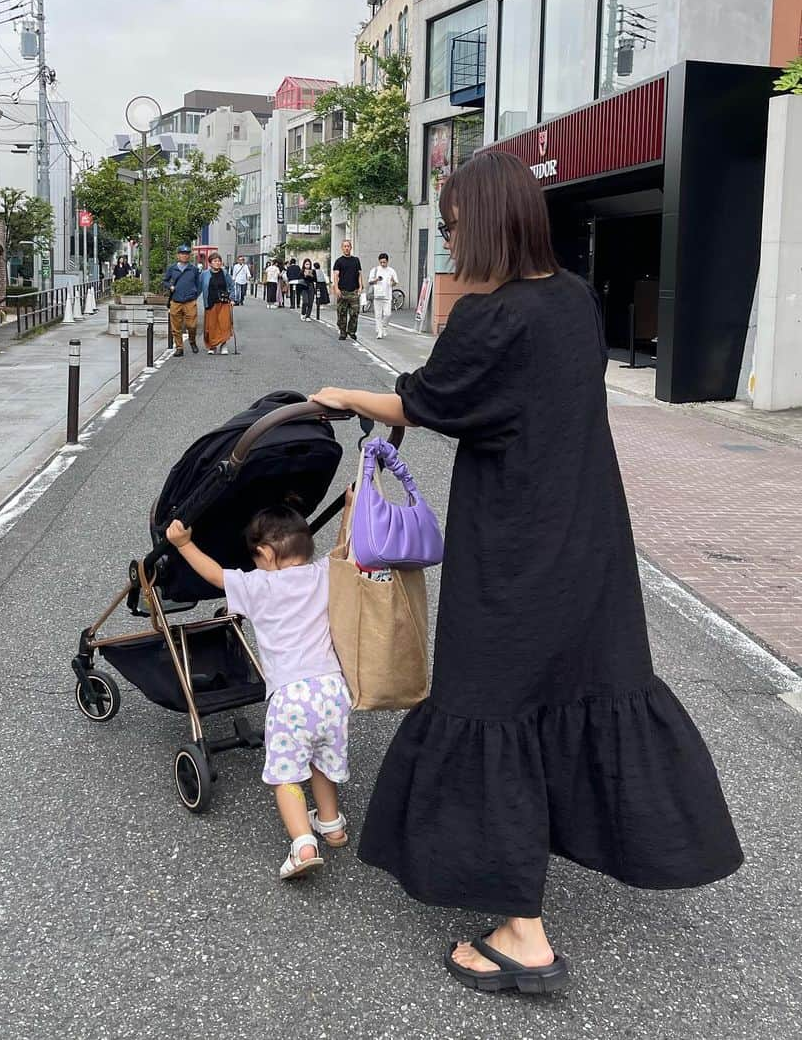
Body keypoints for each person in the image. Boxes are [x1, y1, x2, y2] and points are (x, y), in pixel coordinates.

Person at [309, 149, 741, 996]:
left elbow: (433, 400)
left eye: (456, 222)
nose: (453, 237)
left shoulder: (491, 317)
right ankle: (566, 852)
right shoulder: (574, 302)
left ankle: (522, 935)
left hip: (512, 549)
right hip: (589, 541)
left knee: (488, 703)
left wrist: (349, 397)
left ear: (486, 222)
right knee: (571, 689)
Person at [167, 506, 353, 880]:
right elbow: (344, 549)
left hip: (291, 698)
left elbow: (215, 576)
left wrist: (183, 543)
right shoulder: (325, 573)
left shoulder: (258, 586)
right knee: (321, 759)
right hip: (334, 691)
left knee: (287, 775)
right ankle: (331, 825)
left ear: (266, 554)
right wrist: (348, 509)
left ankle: (303, 843)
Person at [161, 245, 204, 357]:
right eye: (182, 253)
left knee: (192, 325)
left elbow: (199, 285)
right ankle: (179, 347)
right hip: (176, 300)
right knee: (176, 326)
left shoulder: (193, 269)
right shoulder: (172, 268)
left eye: (186, 254)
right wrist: (170, 286)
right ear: (178, 255)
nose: (184, 256)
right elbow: (165, 281)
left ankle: (192, 341)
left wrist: (195, 295)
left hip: (190, 300)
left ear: (189, 256)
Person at [200, 253, 234, 355]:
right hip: (210, 302)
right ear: (210, 263)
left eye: (219, 261)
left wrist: (232, 298)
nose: (217, 263)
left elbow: (231, 286)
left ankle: (223, 345)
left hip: (223, 302)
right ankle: (212, 346)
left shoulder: (224, 273)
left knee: (224, 324)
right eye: (215, 261)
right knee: (211, 325)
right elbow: (198, 287)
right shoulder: (204, 274)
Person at [331, 240, 363, 341]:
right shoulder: (339, 261)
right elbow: (336, 276)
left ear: (351, 247)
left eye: (348, 246)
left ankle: (352, 331)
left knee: (355, 313)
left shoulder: (356, 260)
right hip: (342, 291)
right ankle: (343, 332)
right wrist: (336, 289)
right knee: (341, 313)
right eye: (344, 246)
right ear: (342, 248)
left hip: (354, 291)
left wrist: (361, 287)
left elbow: (360, 274)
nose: (346, 248)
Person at [367, 253, 400, 339]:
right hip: (377, 295)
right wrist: (377, 279)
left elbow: (395, 283)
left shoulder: (391, 271)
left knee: (388, 314)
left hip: (387, 296)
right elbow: (370, 282)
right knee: (378, 315)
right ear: (379, 261)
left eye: (384, 262)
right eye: (381, 262)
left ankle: (384, 326)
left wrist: (393, 281)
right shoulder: (375, 270)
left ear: (387, 261)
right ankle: (380, 332)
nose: (382, 264)